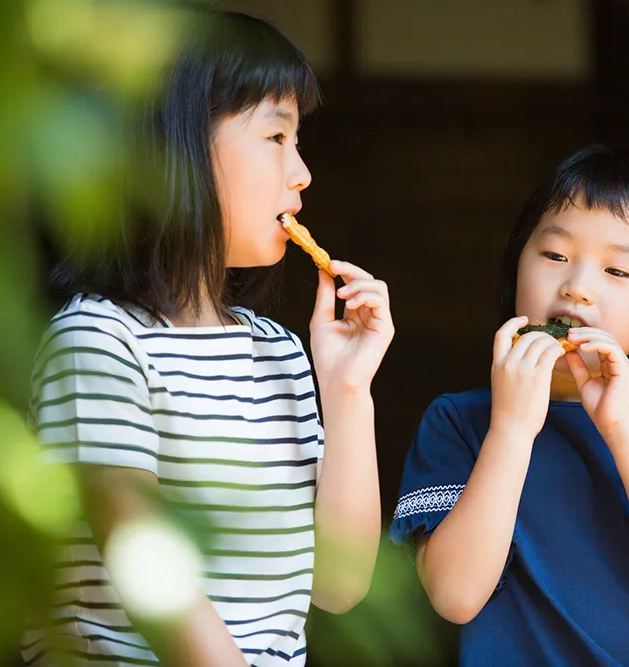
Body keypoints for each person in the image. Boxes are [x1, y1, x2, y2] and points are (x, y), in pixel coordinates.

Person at [21, 9, 393, 666]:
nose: (301, 171)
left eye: (297, 139)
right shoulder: (99, 342)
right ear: (179, 150)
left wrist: (348, 391)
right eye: (275, 136)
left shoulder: (279, 352)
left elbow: (340, 584)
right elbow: (149, 569)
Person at [390, 145, 629, 666]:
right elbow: (454, 596)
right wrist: (511, 430)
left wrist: (621, 426)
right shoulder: (458, 422)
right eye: (554, 256)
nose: (577, 289)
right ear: (517, 267)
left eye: (617, 270)